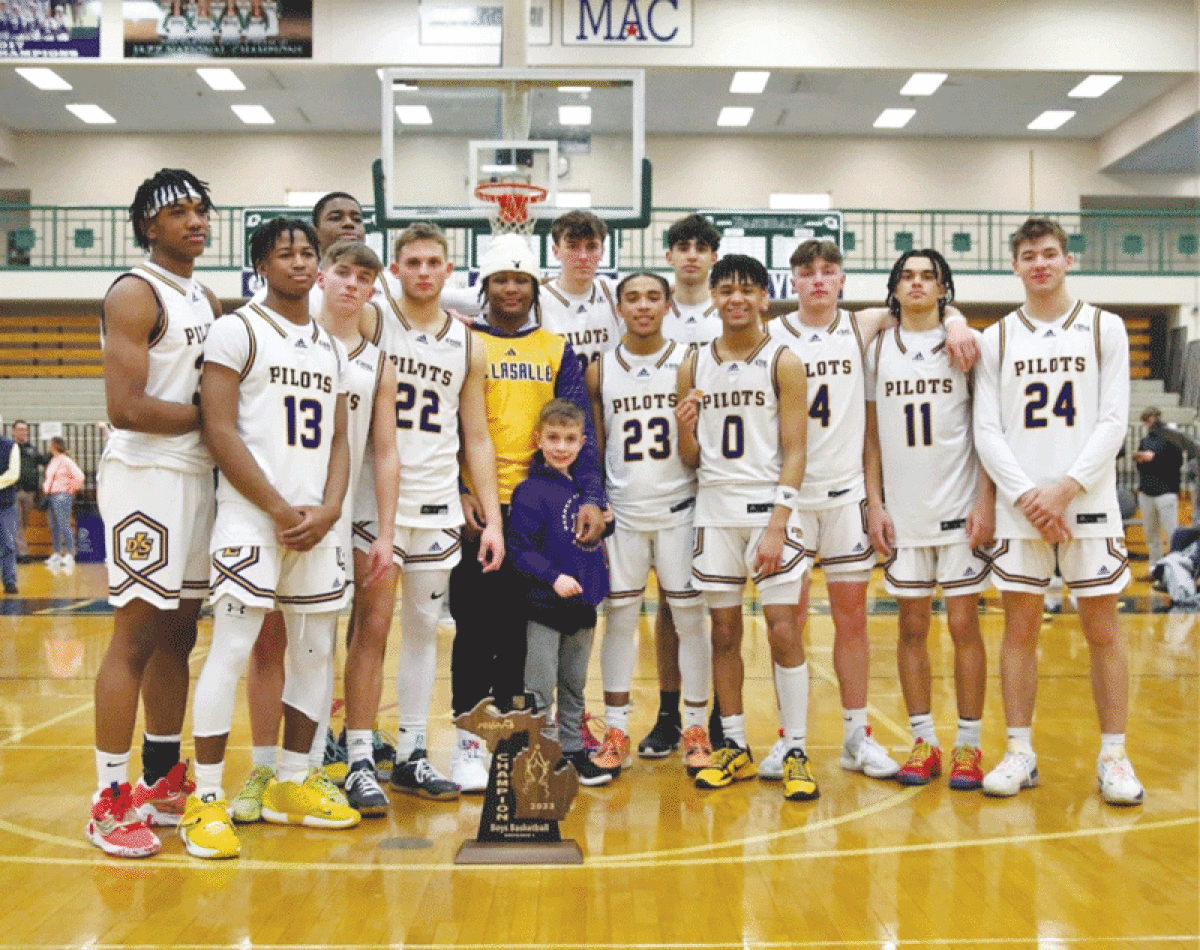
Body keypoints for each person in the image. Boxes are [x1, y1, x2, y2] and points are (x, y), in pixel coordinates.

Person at [765, 238, 978, 783]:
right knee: (785, 623)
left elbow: (926, 307)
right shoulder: (771, 335)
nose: (817, 279)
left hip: (845, 497)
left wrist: (956, 321)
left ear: (842, 280)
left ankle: (856, 737)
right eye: (806, 271)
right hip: (788, 497)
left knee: (852, 619)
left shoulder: (861, 326)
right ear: (793, 281)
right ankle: (790, 740)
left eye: (827, 270)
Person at [182, 217, 359, 860]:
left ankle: (292, 781)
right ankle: (206, 799)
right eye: (286, 254)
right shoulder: (237, 330)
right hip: (253, 518)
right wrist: (280, 508)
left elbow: (340, 441)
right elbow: (219, 429)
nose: (300, 263)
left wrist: (332, 507)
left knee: (314, 651)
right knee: (232, 650)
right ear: (261, 265)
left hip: (317, 523)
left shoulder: (332, 348)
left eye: (308, 253)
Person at [973, 216, 1143, 805]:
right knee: (1019, 632)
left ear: (1068, 260)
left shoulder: (1104, 327)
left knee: (1103, 631)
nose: (1040, 263)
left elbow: (1113, 420)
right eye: (1028, 256)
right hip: (1022, 510)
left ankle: (1114, 756)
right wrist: (1028, 496)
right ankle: (1019, 751)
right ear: (1014, 267)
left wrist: (1065, 488)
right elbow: (986, 429)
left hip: (1087, 507)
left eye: (1049, 253)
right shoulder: (996, 338)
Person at [229, 239, 398, 824]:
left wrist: (383, 530)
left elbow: (382, 451)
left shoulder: (376, 361)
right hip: (269, 506)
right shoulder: (276, 337)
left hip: (337, 514)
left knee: (316, 645)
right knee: (265, 642)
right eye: (342, 272)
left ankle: (309, 768)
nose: (351, 284)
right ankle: (262, 769)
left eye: (363, 277)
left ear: (374, 289)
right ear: (323, 277)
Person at [345, 222, 503, 805]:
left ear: (448, 270)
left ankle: (412, 753)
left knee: (423, 629)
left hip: (437, 503)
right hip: (377, 497)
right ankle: (359, 757)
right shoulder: (373, 320)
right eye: (412, 262)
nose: (423, 272)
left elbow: (477, 436)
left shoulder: (469, 344)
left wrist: (493, 520)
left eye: (433, 262)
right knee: (372, 627)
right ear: (394, 269)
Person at [87, 168, 220, 858]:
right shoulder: (135, 292)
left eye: (201, 210)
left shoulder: (206, 294)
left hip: (195, 475)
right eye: (179, 212)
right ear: (148, 225)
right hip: (146, 476)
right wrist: (214, 418)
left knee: (178, 635)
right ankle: (108, 801)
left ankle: (161, 778)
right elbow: (126, 407)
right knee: (135, 637)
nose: (195, 221)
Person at [448, 233, 606, 791]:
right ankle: (469, 741)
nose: (511, 289)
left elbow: (582, 432)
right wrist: (457, 488)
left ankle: (519, 740)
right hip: (481, 507)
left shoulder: (557, 349)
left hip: (541, 510)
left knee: (526, 636)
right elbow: (447, 426)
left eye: (520, 280)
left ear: (535, 287)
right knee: (475, 628)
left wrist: (592, 496)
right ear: (485, 286)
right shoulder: (464, 343)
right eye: (501, 280)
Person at [676, 253, 817, 802]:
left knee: (784, 630)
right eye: (726, 289)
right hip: (715, 512)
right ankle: (733, 743)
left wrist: (779, 522)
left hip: (767, 512)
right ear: (713, 297)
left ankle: (796, 748)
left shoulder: (784, 360)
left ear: (763, 297)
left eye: (747, 289)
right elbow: (691, 459)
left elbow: (796, 450)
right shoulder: (693, 363)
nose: (736, 298)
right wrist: (685, 431)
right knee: (724, 634)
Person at [864, 249, 992, 790]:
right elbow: (871, 437)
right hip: (904, 514)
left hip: (960, 510)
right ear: (894, 289)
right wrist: (874, 503)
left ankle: (968, 745)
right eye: (907, 276)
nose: (917, 283)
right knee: (911, 627)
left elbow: (987, 429)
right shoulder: (877, 348)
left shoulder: (967, 344)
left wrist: (985, 500)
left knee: (964, 626)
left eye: (928, 276)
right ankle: (923, 741)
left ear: (944, 289)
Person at [586, 272, 713, 777]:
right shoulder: (600, 370)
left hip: (680, 508)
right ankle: (616, 730)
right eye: (633, 298)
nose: (643, 306)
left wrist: (689, 432)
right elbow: (596, 449)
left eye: (653, 297)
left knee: (690, 620)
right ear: (619, 307)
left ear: (667, 306)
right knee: (619, 619)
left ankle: (695, 728)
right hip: (623, 513)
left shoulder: (689, 363)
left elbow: (698, 451)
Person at [637, 213, 725, 760]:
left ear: (714, 256)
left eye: (701, 247)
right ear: (668, 255)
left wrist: (953, 318)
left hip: (721, 475)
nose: (691, 254)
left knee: (720, 604)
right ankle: (670, 714)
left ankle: (719, 713)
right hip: (663, 472)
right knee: (670, 604)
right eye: (682, 246)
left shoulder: (732, 310)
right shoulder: (652, 309)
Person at [509, 399, 614, 786]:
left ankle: (572, 751)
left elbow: (585, 538)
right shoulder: (529, 491)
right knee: (539, 689)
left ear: (582, 443)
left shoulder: (588, 493)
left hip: (582, 608)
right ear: (538, 439)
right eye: (553, 438)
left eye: (570, 439)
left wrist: (609, 523)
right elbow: (518, 551)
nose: (561, 447)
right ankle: (538, 756)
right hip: (544, 609)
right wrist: (553, 577)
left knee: (574, 686)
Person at [539, 210, 622, 374]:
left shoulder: (612, 292)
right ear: (556, 251)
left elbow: (666, 289)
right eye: (573, 246)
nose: (583, 256)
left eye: (591, 247)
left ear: (602, 252)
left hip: (606, 390)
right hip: (558, 390)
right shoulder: (538, 299)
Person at [1135, 407, 1188, 567]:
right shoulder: (1145, 440)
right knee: (1151, 534)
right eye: (1145, 421)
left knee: (1172, 533)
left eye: (1149, 419)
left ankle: (1176, 567)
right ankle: (1155, 567)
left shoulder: (1172, 437)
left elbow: (1177, 462)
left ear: (1157, 417)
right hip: (1147, 492)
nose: (1147, 423)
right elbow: (1140, 466)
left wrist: (1154, 458)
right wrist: (1140, 459)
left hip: (1166, 491)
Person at [42, 436, 84, 568]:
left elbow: (80, 476)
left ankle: (70, 554)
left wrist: (69, 489)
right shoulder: (53, 460)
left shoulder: (66, 460)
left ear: (55, 445)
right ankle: (57, 553)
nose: (49, 446)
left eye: (50, 444)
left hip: (62, 495)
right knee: (53, 526)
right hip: (51, 495)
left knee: (64, 524)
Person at [11, 420, 47, 562]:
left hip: (30, 492)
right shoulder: (9, 447)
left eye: (25, 429)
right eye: (19, 429)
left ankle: (18, 550)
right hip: (14, 491)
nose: (23, 432)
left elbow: (43, 460)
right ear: (13, 431)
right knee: (17, 522)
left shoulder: (32, 448)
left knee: (24, 522)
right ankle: (22, 553)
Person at [0, 429, 18, 595]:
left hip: (5, 504)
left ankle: (10, 581)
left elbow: (13, 474)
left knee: (8, 544)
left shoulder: (10, 445)